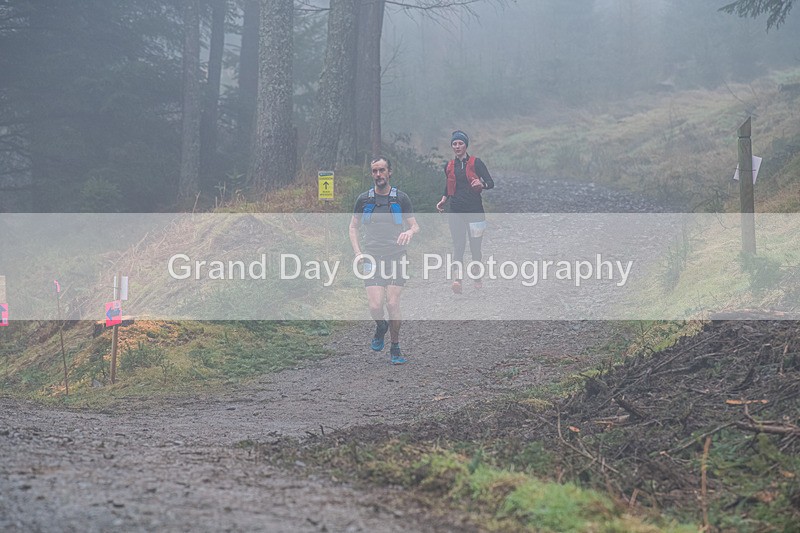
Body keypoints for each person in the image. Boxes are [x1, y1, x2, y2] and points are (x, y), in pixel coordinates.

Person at [349, 157, 419, 365]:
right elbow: (353, 227)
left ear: (389, 172)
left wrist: (409, 232)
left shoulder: (401, 198)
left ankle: (395, 347)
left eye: (382, 171)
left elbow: (415, 225)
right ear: (371, 174)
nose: (378, 175)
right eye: (374, 171)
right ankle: (381, 326)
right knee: (375, 305)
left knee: (392, 303)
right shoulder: (364, 200)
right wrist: (358, 253)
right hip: (371, 257)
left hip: (397, 257)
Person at [436, 130, 494, 294]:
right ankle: (457, 280)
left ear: (466, 145)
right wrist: (443, 199)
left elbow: (491, 183)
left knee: (475, 248)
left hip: (475, 211)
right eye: (454, 144)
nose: (457, 146)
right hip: (456, 211)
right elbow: (448, 185)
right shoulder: (449, 165)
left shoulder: (477, 163)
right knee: (459, 246)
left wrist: (482, 185)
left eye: (460, 143)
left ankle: (477, 275)